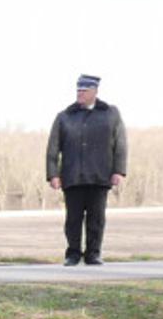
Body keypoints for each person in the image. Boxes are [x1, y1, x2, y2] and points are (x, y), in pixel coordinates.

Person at [46, 74, 127, 266]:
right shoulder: (64, 117)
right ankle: (72, 254)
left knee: (96, 219)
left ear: (95, 92)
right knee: (73, 219)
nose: (80, 94)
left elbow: (121, 144)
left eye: (84, 91)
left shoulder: (110, 113)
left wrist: (118, 170)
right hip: (72, 176)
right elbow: (53, 148)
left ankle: (93, 254)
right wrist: (53, 174)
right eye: (78, 90)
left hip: (100, 176)